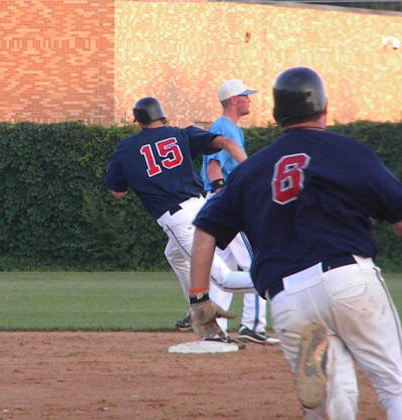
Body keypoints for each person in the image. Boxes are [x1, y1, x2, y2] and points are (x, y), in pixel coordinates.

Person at [188, 66, 402, 419]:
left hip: (287, 297)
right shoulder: (347, 152)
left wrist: (199, 299)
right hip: (347, 279)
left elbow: (205, 232)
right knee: (394, 385)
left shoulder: (250, 171)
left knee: (332, 402)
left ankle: (322, 387)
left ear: (276, 116)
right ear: (325, 108)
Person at [105, 96, 255, 342]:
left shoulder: (126, 148)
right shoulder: (180, 134)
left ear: (138, 122)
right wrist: (251, 170)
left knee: (224, 279)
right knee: (173, 254)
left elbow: (117, 193)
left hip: (180, 219)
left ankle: (284, 281)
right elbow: (227, 142)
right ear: (161, 117)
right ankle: (198, 309)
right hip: (203, 208)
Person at [199, 79, 277, 345]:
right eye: (246, 95)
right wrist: (226, 200)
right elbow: (213, 168)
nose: (249, 99)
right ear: (233, 99)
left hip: (221, 204)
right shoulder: (222, 128)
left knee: (224, 268)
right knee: (257, 261)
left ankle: (215, 330)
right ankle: (252, 326)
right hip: (228, 203)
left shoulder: (231, 129)